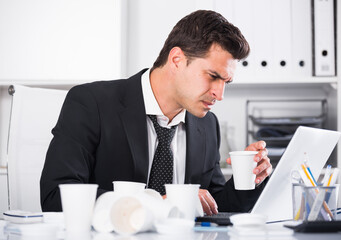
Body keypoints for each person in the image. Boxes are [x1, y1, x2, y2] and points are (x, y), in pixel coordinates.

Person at [40, 10, 272, 215]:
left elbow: (215, 206)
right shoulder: (91, 103)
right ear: (177, 60)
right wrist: (152, 204)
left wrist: (250, 178)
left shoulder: (207, 125)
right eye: (212, 76)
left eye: (226, 82)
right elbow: (57, 196)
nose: (220, 94)